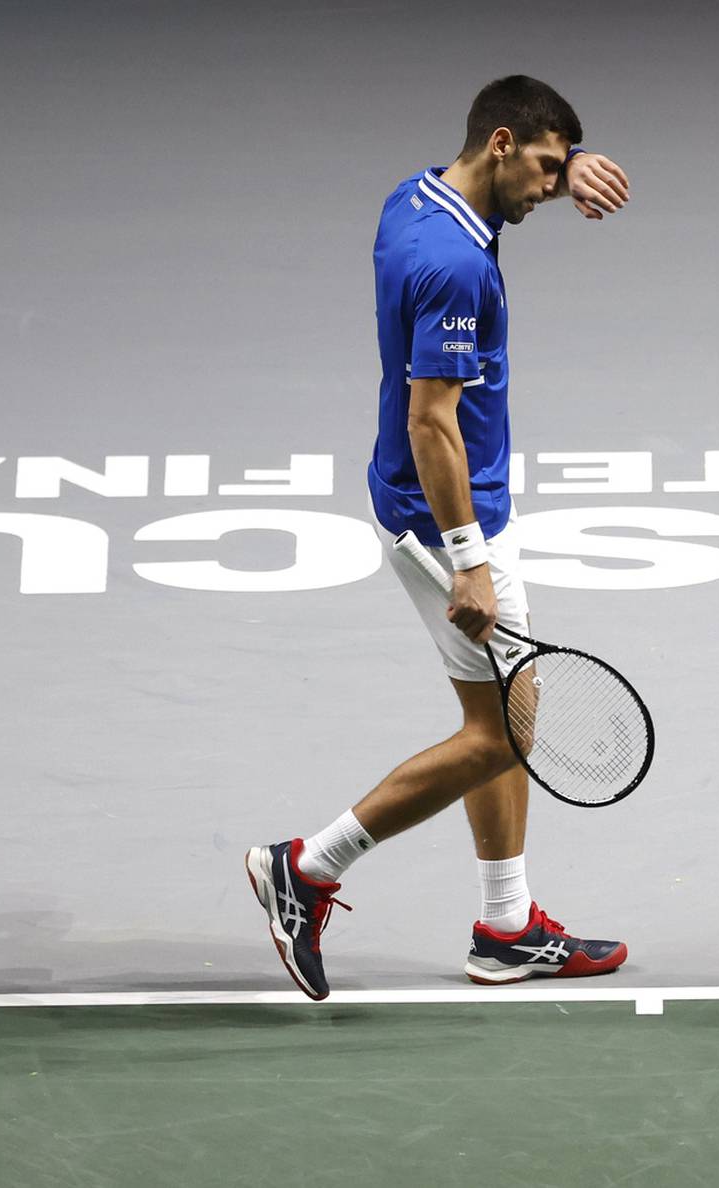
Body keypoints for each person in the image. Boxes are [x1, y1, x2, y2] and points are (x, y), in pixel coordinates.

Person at [246, 76, 634, 1000]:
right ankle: (308, 865)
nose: (550, 187)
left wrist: (569, 162)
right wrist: (470, 562)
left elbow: (509, 173)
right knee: (508, 733)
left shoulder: (417, 197)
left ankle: (506, 929)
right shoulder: (455, 267)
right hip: (444, 520)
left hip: (434, 504)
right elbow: (433, 424)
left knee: (492, 721)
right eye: (543, 166)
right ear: (501, 144)